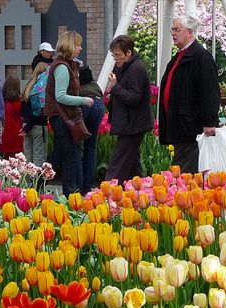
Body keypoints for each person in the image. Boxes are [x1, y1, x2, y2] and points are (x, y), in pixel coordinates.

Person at [157, 15, 220, 174]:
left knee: (182, 173)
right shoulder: (180, 56)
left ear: (190, 32)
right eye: (172, 29)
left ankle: (179, 197)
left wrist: (209, 122)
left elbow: (210, 92)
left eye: (176, 29)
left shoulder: (201, 58)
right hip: (180, 124)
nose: (173, 33)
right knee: (183, 170)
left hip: (190, 126)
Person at [45, 31, 95, 196]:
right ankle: (70, 196)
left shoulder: (66, 65)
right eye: (78, 45)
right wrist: (83, 100)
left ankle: (68, 193)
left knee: (65, 156)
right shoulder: (62, 67)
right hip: (62, 117)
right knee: (70, 158)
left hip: (63, 117)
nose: (80, 48)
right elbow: (60, 96)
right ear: (69, 46)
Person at [104, 34, 152, 184]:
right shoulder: (124, 67)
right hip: (129, 123)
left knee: (117, 164)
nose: (115, 58)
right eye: (113, 55)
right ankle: (140, 193)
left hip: (133, 125)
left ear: (128, 53)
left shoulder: (136, 69)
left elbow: (134, 98)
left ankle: (106, 194)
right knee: (132, 164)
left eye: (118, 55)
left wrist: (115, 87)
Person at [79, 64, 105, 194]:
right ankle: (87, 186)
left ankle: (78, 183)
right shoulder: (94, 85)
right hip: (98, 104)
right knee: (91, 147)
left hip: (84, 103)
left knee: (77, 146)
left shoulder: (78, 86)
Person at [21, 62, 50, 172]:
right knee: (39, 159)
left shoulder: (28, 87)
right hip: (39, 126)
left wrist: (26, 126)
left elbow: (23, 109)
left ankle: (27, 185)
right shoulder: (41, 90)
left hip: (26, 126)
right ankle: (36, 186)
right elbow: (38, 112)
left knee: (27, 158)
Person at [1, 75, 24, 158]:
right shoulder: (21, 103)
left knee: (6, 159)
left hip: (4, 134)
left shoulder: (1, 103)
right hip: (18, 134)